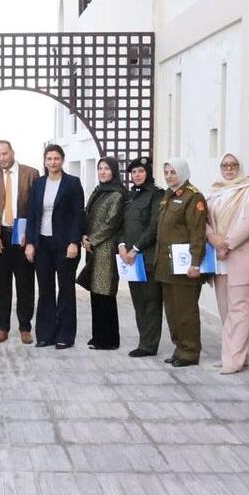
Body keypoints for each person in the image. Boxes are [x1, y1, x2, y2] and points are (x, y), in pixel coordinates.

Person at [205, 153, 249, 374]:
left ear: (240, 166)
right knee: (226, 311)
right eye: (225, 165)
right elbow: (204, 221)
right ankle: (232, 355)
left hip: (242, 257)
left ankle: (234, 361)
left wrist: (226, 244)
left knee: (241, 311)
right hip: (220, 260)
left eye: (233, 165)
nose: (229, 169)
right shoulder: (215, 192)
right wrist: (212, 237)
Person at [24, 144, 84, 349]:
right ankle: (45, 334)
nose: (53, 162)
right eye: (49, 159)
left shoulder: (72, 183)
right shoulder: (39, 184)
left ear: (62, 160)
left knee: (66, 290)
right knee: (45, 290)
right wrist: (30, 243)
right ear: (45, 161)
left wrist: (74, 242)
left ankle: (65, 336)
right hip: (42, 244)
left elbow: (78, 215)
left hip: (65, 245)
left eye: (56, 158)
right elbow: (32, 215)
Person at [0, 139, 38, 344]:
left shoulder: (31, 173)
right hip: (0, 237)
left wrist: (30, 238)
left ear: (12, 152)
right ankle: (2, 328)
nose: (2, 158)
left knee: (25, 284)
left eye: (5, 153)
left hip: (23, 237)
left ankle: (25, 328)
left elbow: (35, 207)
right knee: (0, 285)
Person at [155, 158, 207, 367]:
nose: (169, 176)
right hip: (167, 265)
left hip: (185, 266)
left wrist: (195, 262)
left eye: (173, 172)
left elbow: (197, 232)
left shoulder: (193, 197)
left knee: (186, 311)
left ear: (183, 172)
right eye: (167, 172)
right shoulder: (168, 196)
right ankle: (179, 348)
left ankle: (190, 352)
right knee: (173, 312)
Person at [117, 156, 163, 357]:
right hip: (130, 259)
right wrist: (121, 246)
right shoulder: (130, 196)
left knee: (151, 302)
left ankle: (149, 346)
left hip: (147, 257)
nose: (137, 175)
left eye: (141, 171)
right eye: (134, 172)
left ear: (148, 173)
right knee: (139, 302)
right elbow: (122, 224)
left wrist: (135, 249)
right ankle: (143, 340)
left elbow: (154, 226)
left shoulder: (156, 194)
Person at [79, 157, 126, 350]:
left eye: (107, 168)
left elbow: (112, 223)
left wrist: (92, 239)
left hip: (106, 249)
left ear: (114, 171)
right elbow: (87, 215)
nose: (103, 172)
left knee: (105, 293)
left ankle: (109, 340)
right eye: (100, 168)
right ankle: (97, 335)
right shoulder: (99, 191)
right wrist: (84, 236)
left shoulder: (117, 194)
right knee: (95, 292)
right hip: (93, 248)